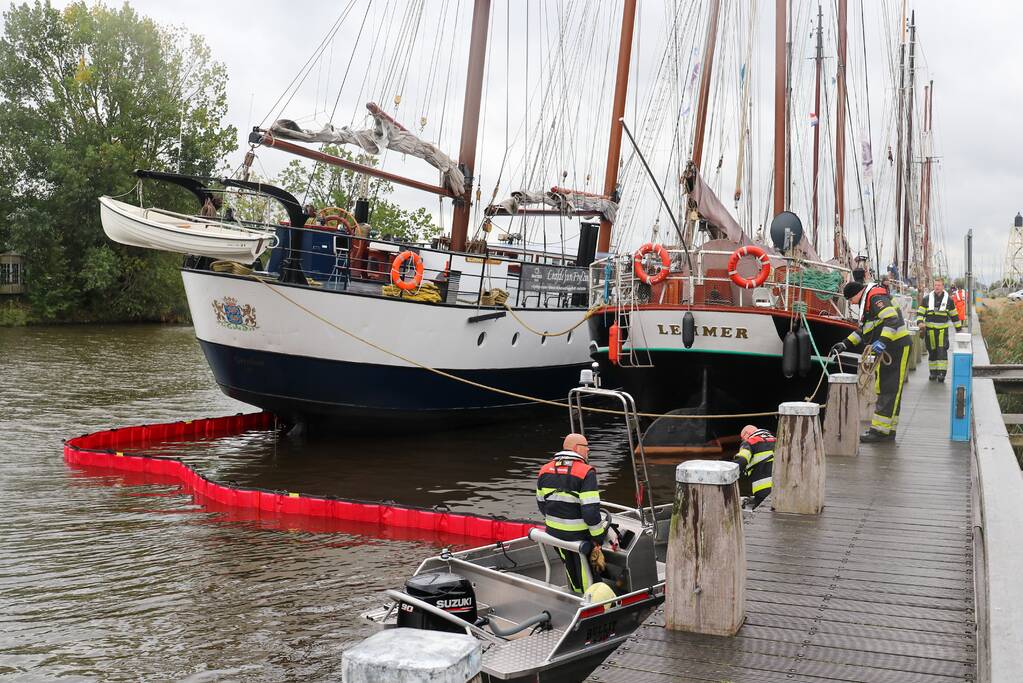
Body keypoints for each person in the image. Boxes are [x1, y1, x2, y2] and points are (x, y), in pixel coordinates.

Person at [831, 279, 911, 442]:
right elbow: (864, 330)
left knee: (891, 388)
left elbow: (892, 319)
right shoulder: (868, 303)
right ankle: (886, 430)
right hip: (891, 347)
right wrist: (844, 344)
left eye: (850, 300)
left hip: (897, 346)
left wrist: (883, 341)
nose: (851, 304)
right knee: (883, 386)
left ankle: (881, 432)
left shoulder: (875, 298)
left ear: (857, 294)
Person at [535, 433, 608, 594]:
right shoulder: (586, 472)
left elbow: (541, 505)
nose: (588, 451)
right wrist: (598, 538)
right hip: (578, 536)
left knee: (571, 567)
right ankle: (592, 602)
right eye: (586, 447)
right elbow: (591, 513)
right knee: (588, 573)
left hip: (554, 533)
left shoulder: (544, 470)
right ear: (576, 448)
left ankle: (575, 594)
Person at [917, 277, 962, 382]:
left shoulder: (949, 301)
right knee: (932, 351)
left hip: (942, 331)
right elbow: (920, 313)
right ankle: (933, 372)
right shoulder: (926, 299)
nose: (937, 287)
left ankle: (942, 373)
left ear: (943, 286)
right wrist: (920, 323)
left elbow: (954, 316)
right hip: (930, 331)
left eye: (939, 285)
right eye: (935, 285)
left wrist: (959, 330)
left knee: (941, 352)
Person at [733, 425, 774, 507]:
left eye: (743, 438)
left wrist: (729, 470)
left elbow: (742, 459)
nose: (743, 440)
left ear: (747, 434)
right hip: (781, 489)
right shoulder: (777, 440)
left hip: (763, 490)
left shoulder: (750, 442)